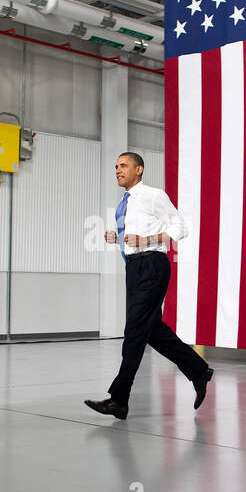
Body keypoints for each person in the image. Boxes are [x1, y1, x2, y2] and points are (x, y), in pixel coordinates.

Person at [85, 152, 213, 420]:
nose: (118, 170)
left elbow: (180, 228)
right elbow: (132, 236)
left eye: (123, 165)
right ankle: (198, 370)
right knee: (151, 331)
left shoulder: (153, 195)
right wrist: (116, 237)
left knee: (133, 330)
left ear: (139, 169)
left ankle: (119, 399)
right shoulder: (125, 202)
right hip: (134, 268)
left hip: (152, 265)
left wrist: (146, 239)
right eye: (116, 166)